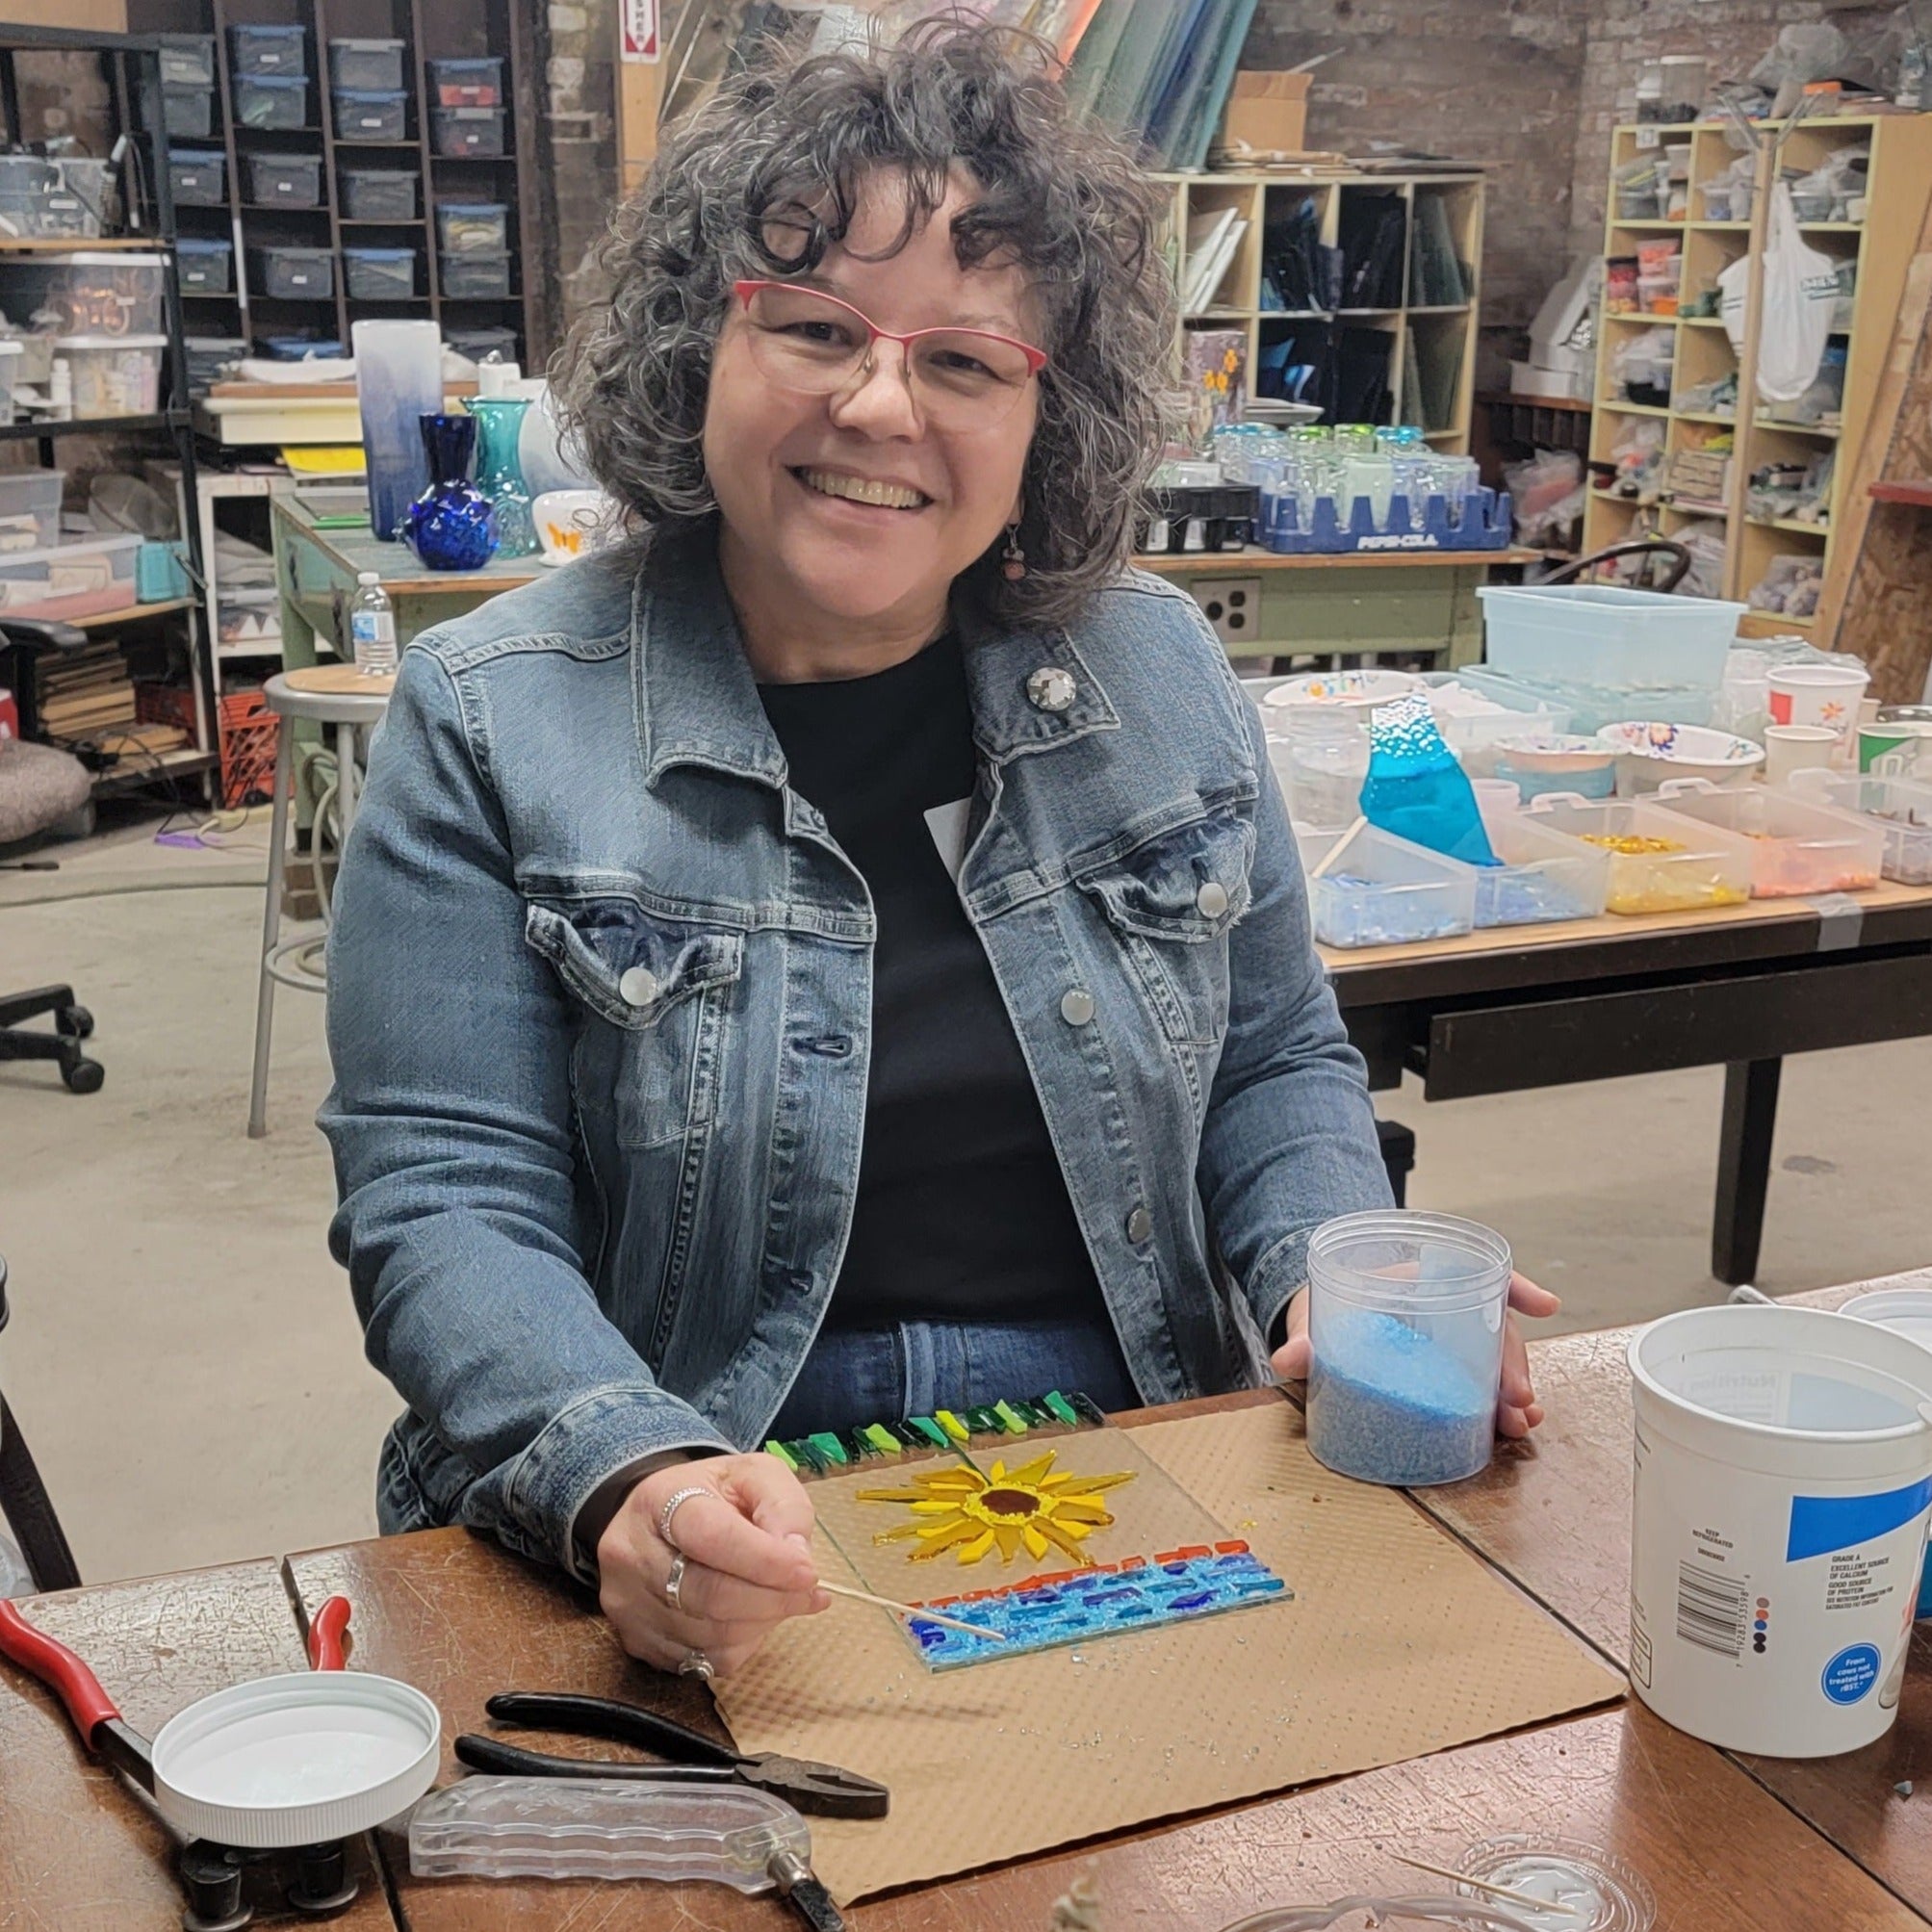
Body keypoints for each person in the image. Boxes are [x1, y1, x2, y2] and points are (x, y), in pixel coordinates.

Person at [321, 23, 1556, 1687]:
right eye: (815, 328)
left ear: (1052, 414)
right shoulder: (489, 718)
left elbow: (1275, 1063)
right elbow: (446, 1200)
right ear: (704, 343)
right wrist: (626, 1471)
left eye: (967, 362)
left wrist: (1325, 1277)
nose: (881, 402)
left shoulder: (1156, 669)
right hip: (700, 1454)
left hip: (1140, 1426)